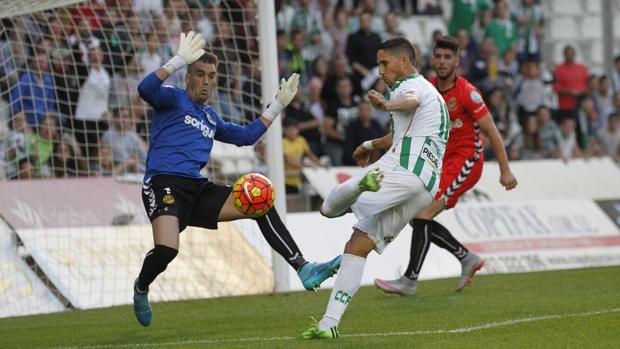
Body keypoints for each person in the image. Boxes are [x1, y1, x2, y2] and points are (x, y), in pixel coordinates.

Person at [133, 31, 340, 327]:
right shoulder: (173, 98)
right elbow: (146, 88)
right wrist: (177, 60)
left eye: (211, 76)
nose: (206, 81)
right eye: (200, 74)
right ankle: (141, 287)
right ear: (188, 77)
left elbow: (245, 137)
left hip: (196, 187)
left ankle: (303, 267)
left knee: (259, 203)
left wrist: (277, 106)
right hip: (163, 182)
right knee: (166, 250)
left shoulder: (210, 118)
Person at [300, 37, 449, 339]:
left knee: (328, 208)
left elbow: (411, 101)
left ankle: (362, 186)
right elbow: (397, 135)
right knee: (358, 244)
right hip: (425, 185)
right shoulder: (431, 94)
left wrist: (385, 103)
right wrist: (368, 144)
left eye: (385, 63)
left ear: (405, 62)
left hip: (404, 168)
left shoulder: (414, 86)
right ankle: (329, 325)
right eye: (378, 63)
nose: (380, 70)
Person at [374, 36, 517, 296]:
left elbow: (492, 131)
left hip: (466, 161)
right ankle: (467, 258)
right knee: (416, 218)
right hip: (439, 162)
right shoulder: (426, 89)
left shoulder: (467, 93)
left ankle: (410, 280)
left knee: (422, 214)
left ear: (457, 61)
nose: (442, 62)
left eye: (447, 57)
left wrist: (505, 169)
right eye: (438, 57)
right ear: (432, 59)